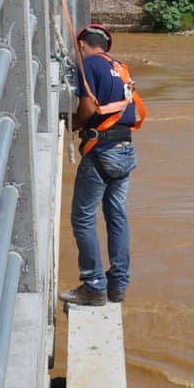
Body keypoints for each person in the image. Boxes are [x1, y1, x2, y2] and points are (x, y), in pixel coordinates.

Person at [59, 23, 143, 307]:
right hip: (126, 149)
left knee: (82, 218)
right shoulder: (120, 68)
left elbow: (88, 108)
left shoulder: (89, 66)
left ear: (82, 45)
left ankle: (94, 285)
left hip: (102, 150)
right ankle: (118, 285)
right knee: (117, 215)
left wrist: (75, 124)